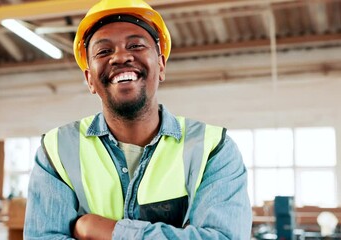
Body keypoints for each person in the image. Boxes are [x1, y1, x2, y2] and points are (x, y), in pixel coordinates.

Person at [24, 0, 252, 239]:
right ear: (90, 79)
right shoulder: (57, 151)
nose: (121, 57)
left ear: (161, 65)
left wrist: (103, 230)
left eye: (135, 45)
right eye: (103, 51)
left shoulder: (213, 148)